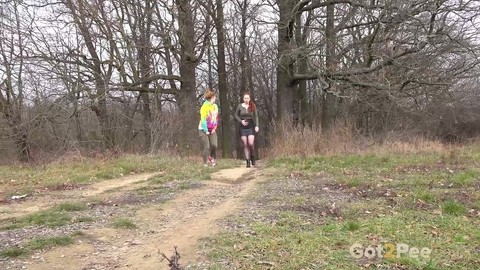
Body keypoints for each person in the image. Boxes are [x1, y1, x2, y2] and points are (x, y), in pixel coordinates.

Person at [234, 92, 259, 168]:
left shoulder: (252, 105)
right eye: (245, 98)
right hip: (242, 126)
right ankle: (247, 161)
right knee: (245, 144)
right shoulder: (239, 106)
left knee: (251, 143)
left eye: (247, 98)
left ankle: (253, 157)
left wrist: (257, 126)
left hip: (251, 125)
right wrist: (241, 121)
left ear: (249, 98)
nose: (246, 99)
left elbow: (256, 116)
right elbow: (236, 115)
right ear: (243, 99)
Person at [198, 89, 219, 167]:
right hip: (203, 129)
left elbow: (216, 118)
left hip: (212, 128)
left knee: (214, 145)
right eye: (214, 97)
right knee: (207, 146)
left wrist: (214, 128)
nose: (215, 98)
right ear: (212, 97)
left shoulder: (215, 106)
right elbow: (203, 119)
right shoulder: (204, 107)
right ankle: (205, 162)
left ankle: (211, 157)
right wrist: (206, 130)